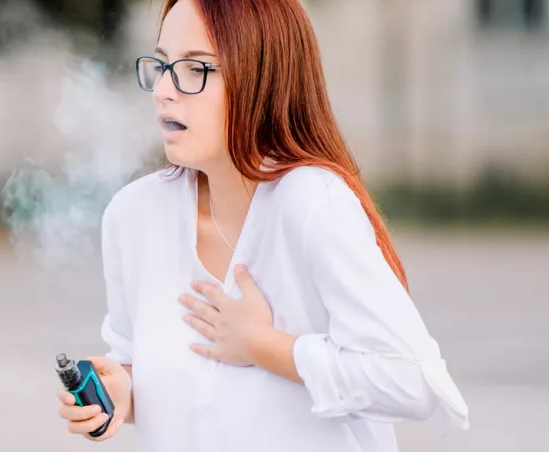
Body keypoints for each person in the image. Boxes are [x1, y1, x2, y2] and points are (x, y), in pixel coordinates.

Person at [55, 0, 469, 450]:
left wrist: (264, 347)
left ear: (263, 77)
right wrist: (121, 392)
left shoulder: (312, 203)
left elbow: (412, 381)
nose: (163, 92)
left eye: (195, 68)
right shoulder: (134, 215)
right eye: (161, 65)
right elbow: (144, 367)